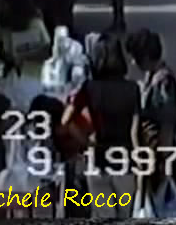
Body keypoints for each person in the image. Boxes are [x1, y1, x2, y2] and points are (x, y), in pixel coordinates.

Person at [66, 34, 140, 218]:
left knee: (103, 214)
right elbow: (134, 131)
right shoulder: (133, 89)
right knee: (125, 215)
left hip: (97, 161)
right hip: (124, 162)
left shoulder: (89, 88)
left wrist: (85, 142)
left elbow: (66, 120)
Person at [125, 29, 176, 212]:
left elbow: (167, 123)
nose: (133, 62)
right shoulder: (151, 77)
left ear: (145, 56)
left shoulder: (163, 82)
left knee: (169, 205)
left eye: (135, 57)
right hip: (153, 154)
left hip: (160, 156)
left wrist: (162, 160)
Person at [0, 0, 51, 79]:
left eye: (4, 3)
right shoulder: (2, 27)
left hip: (35, 74)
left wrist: (26, 58)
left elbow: (47, 51)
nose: (1, 7)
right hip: (12, 77)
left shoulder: (36, 23)